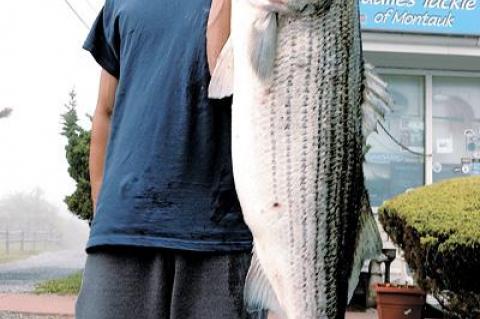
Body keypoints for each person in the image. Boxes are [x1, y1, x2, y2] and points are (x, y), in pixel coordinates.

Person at [74, 0, 260, 318]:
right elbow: (105, 111)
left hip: (223, 238)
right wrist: (103, 206)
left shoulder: (254, 5)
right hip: (121, 233)